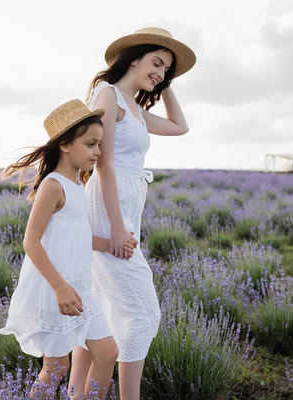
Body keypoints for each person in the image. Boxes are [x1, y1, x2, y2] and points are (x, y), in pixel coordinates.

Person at [68, 27, 196, 399]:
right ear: (133, 57)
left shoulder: (136, 107)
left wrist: (164, 81)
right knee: (142, 314)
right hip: (110, 207)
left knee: (104, 310)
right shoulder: (108, 95)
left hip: (126, 204)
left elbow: (180, 126)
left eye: (167, 69)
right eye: (155, 62)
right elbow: (104, 166)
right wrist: (119, 229)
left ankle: (81, 395)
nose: (160, 72)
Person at [0, 99, 136, 399]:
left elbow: (78, 235)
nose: (97, 152)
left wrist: (111, 244)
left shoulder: (77, 184)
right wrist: (60, 288)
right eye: (91, 144)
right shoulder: (53, 186)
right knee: (56, 367)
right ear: (66, 144)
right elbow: (31, 241)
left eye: (99, 144)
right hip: (55, 288)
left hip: (80, 287)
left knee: (107, 353)